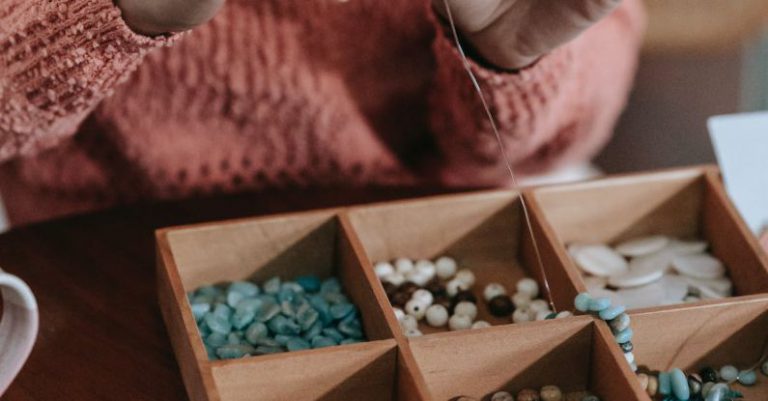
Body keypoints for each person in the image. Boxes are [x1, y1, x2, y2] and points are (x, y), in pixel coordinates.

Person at [0, 0, 646, 226]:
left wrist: (507, 57)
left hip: (419, 232)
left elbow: (555, 147)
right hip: (102, 251)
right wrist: (103, 18)